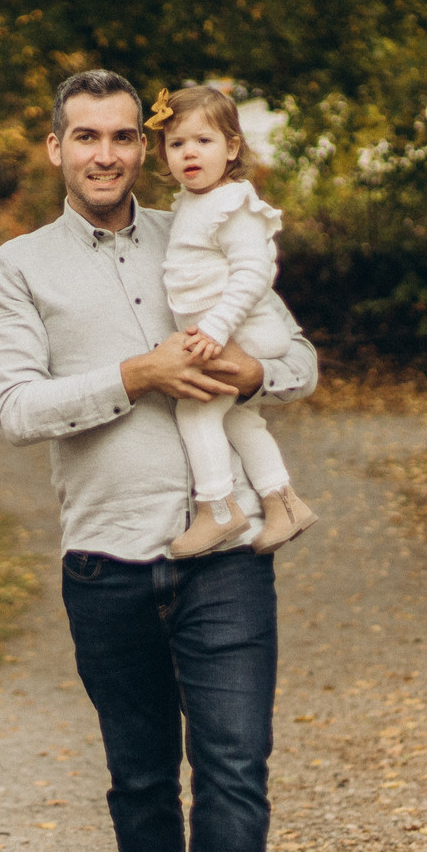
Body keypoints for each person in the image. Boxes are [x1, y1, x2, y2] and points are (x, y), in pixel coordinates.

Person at [0, 69, 318, 852]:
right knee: (137, 778)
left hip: (226, 553)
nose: (106, 155)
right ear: (54, 148)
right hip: (106, 559)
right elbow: (13, 409)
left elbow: (295, 360)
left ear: (145, 146)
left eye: (124, 137)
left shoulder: (202, 228)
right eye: (85, 137)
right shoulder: (16, 268)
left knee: (234, 767)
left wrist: (251, 369)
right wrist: (136, 374)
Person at [145, 83, 319, 559]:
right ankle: (284, 503)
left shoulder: (233, 203)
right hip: (222, 332)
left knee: (195, 410)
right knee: (241, 420)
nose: (189, 153)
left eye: (204, 141)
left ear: (232, 147)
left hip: (239, 333)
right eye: (177, 144)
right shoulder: (190, 203)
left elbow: (253, 271)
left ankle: (218, 510)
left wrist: (218, 328)